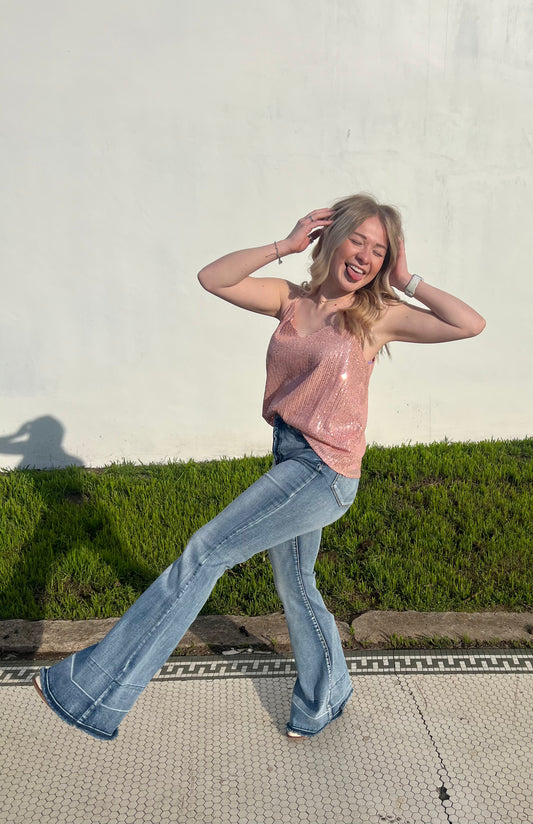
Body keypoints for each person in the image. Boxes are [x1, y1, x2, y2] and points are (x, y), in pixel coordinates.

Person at [33, 194, 485, 741]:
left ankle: (92, 690)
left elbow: (468, 324)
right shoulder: (291, 301)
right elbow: (213, 277)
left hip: (324, 472)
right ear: (333, 238)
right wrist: (285, 244)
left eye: (380, 249)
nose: (365, 255)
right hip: (289, 455)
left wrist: (408, 278)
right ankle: (327, 695)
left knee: (204, 553)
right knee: (297, 583)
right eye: (358, 240)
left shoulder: (377, 317)